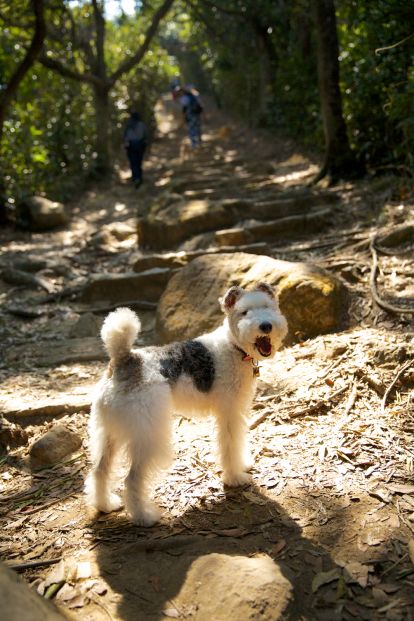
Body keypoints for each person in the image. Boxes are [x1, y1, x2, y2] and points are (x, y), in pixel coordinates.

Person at [123, 111, 147, 188]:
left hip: (131, 146)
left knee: (133, 163)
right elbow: (145, 135)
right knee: (138, 162)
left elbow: (125, 137)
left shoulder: (129, 125)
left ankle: (136, 178)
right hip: (139, 145)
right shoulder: (141, 125)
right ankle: (138, 178)